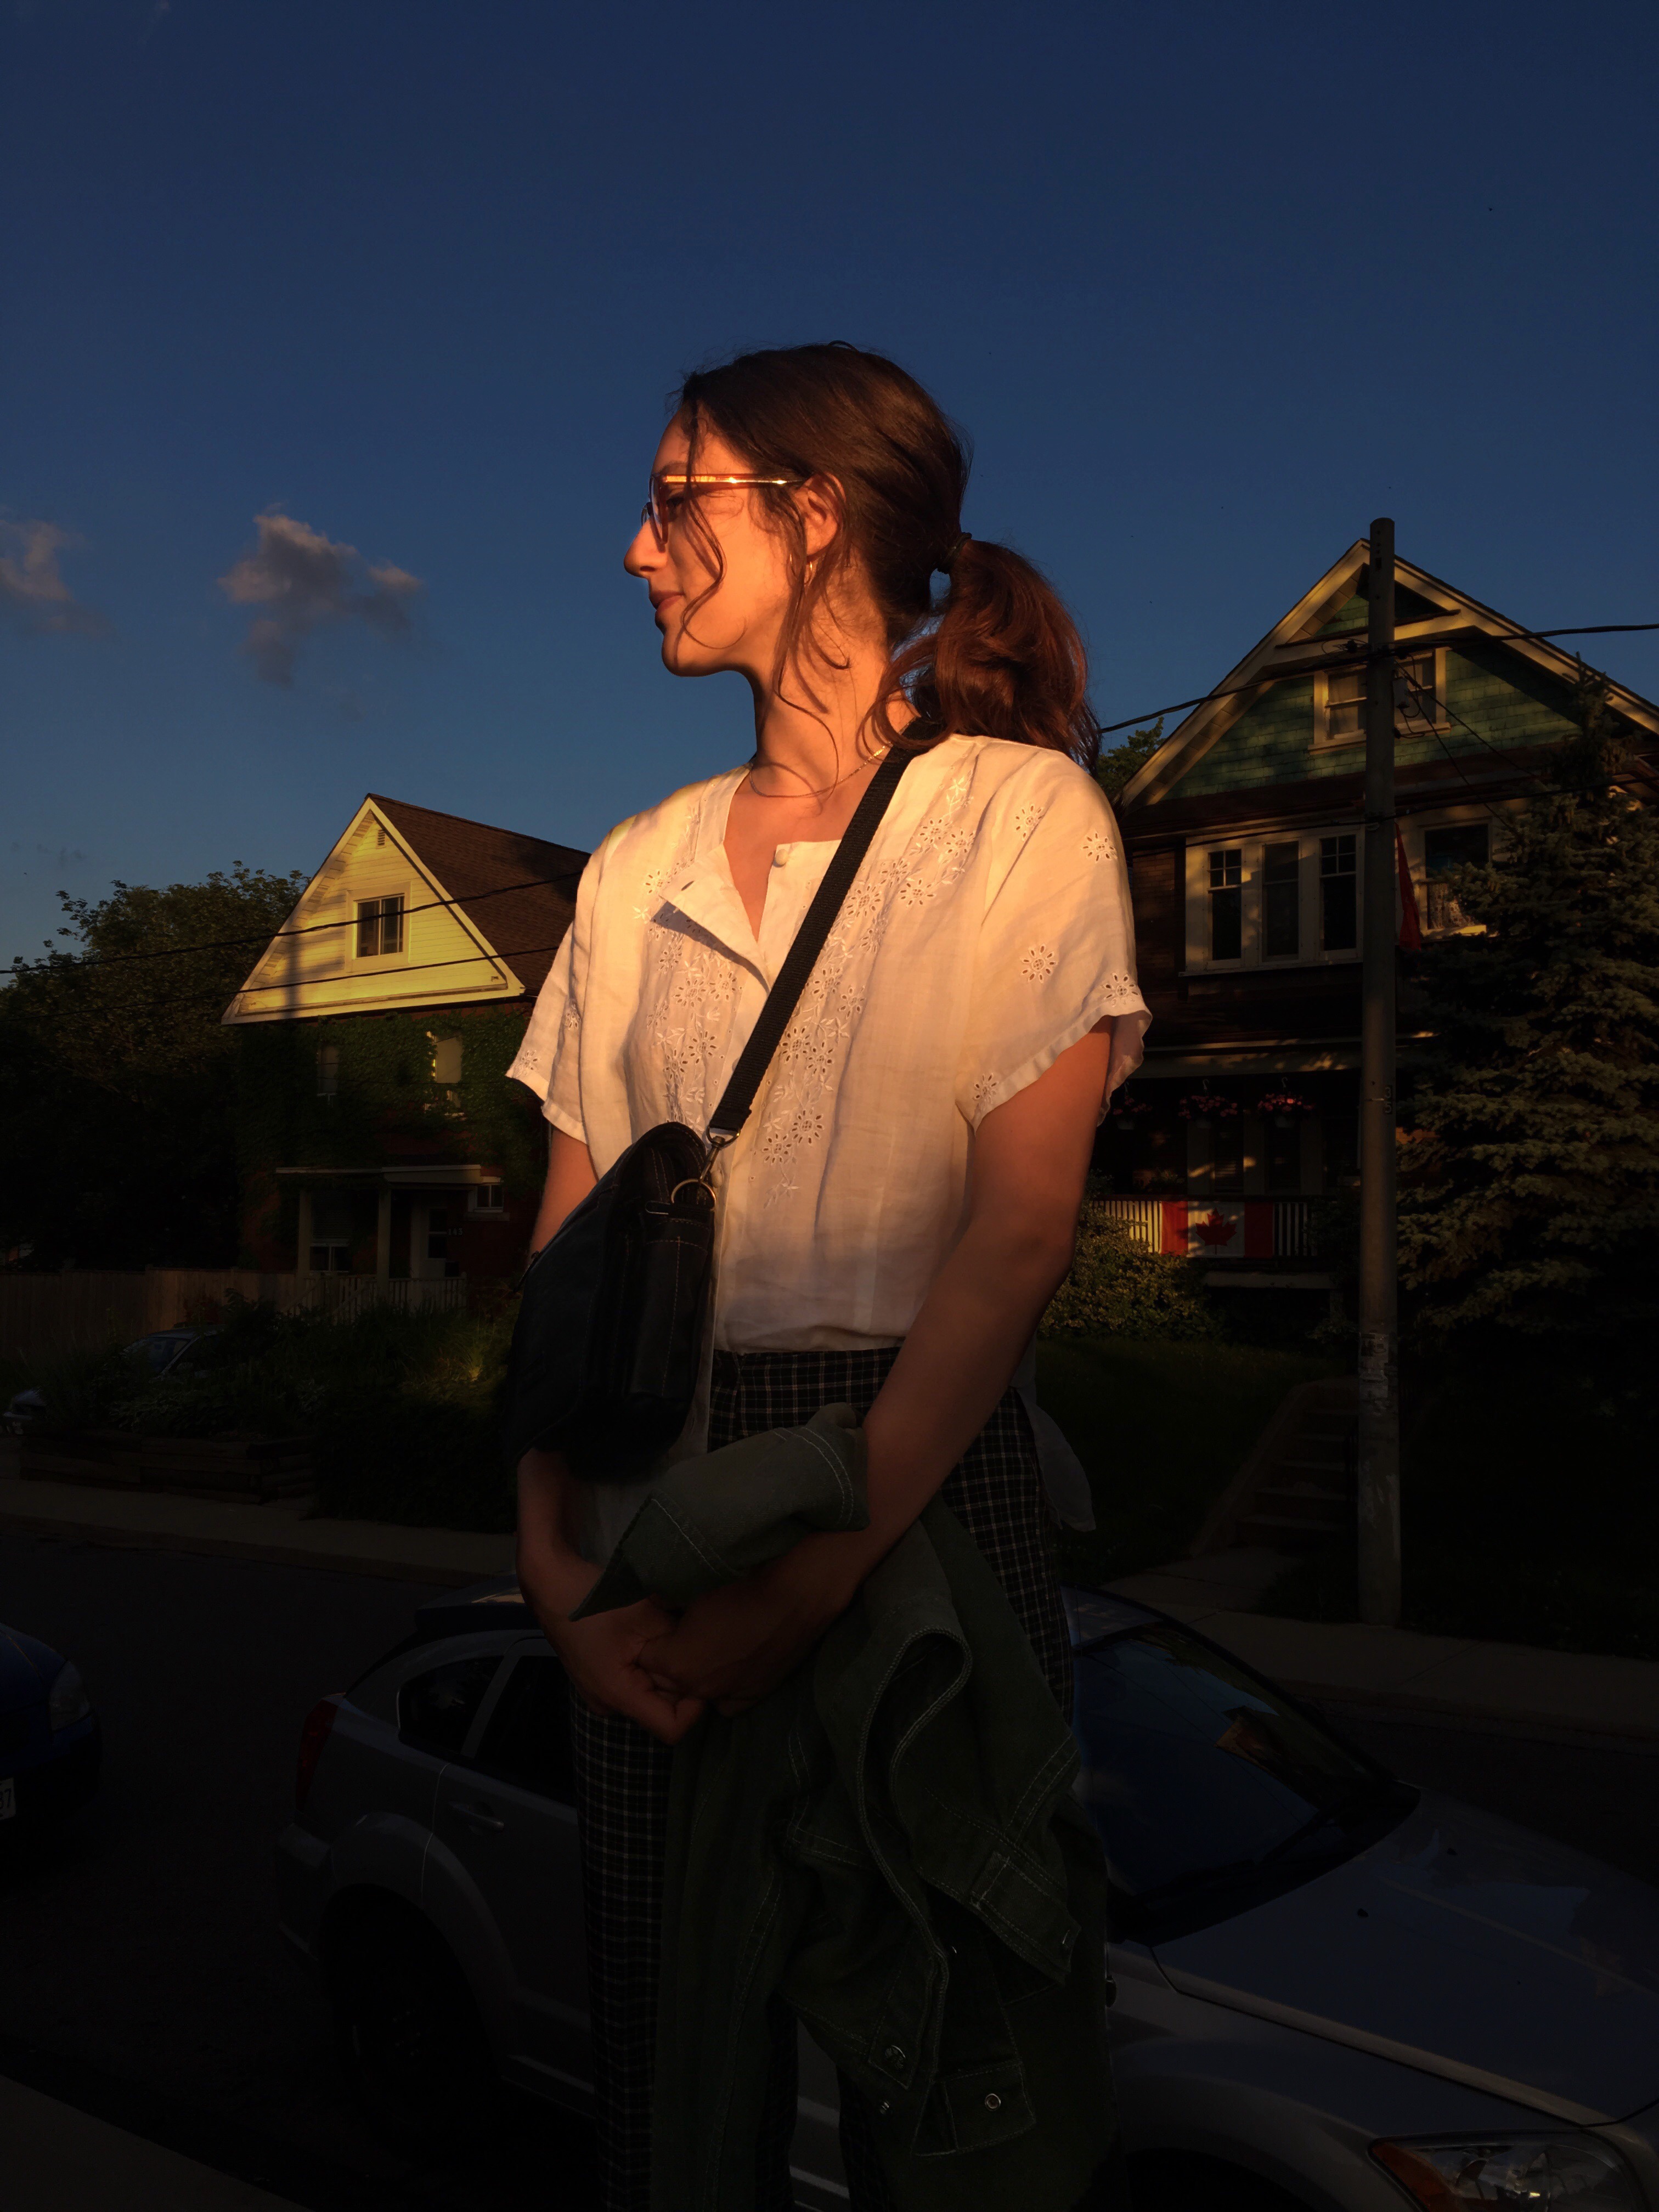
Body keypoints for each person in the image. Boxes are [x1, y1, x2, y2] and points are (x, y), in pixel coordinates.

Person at [509, 341, 1149, 2212]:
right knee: (670, 2077)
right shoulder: (630, 875)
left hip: (918, 1500)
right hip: (643, 1512)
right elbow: (563, 1265)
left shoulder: (1021, 823)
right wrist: (557, 1575)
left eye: (670, 494)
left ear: (809, 513)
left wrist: (816, 1570)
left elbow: (1019, 1238)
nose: (635, 548)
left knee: (953, 2077)